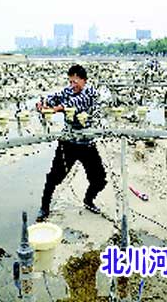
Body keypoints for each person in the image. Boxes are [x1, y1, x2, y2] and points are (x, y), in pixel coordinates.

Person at [35, 64, 107, 222]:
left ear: (84, 80)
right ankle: (44, 207)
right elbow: (54, 97)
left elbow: (75, 103)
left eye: (76, 82)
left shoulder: (92, 94)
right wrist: (43, 103)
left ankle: (88, 200)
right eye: (70, 82)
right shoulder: (68, 90)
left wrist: (56, 109)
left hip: (87, 143)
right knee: (53, 177)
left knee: (100, 180)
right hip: (68, 142)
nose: (72, 85)